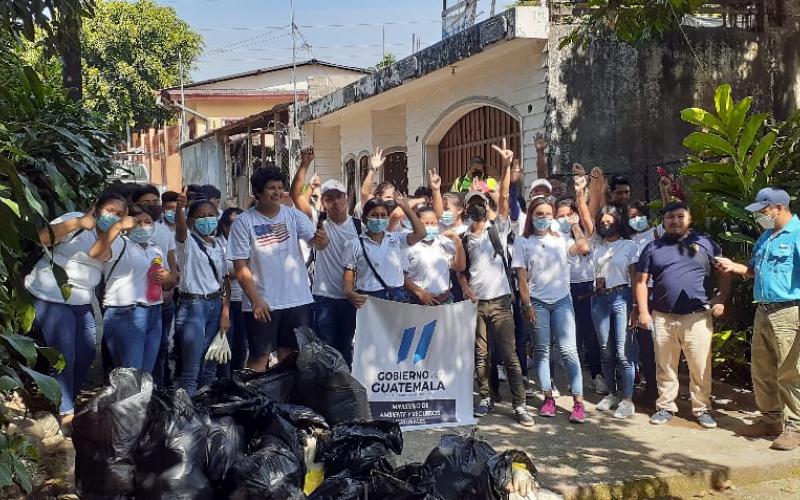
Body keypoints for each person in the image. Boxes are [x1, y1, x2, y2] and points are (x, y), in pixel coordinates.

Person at [25, 192, 130, 428]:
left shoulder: (115, 239)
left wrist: (112, 231)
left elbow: (97, 253)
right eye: (109, 210)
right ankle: (66, 413)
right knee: (64, 356)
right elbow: (41, 238)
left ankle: (65, 399)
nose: (113, 216)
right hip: (50, 296)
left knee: (86, 355)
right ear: (97, 208)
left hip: (81, 301)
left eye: (119, 214)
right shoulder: (73, 219)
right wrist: (78, 223)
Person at [715, 188, 800, 450]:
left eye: (763, 211)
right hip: (763, 310)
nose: (759, 216)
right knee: (762, 369)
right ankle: (770, 420)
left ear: (779, 208)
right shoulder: (765, 236)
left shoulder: (797, 234)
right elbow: (753, 270)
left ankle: (795, 427)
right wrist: (733, 266)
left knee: (790, 371)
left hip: (789, 311)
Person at [458, 139, 534, 426]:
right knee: (481, 355)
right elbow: (460, 270)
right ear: (467, 208)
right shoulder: (463, 236)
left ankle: (520, 404)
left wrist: (505, 165)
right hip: (476, 303)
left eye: (481, 203)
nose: (477, 207)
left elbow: (503, 196)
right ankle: (486, 397)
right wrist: (465, 288)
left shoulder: (498, 229)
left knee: (509, 355)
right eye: (473, 204)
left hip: (501, 302)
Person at [635, 201, 730, 428]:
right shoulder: (653, 248)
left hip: (697, 316)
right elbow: (640, 281)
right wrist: (643, 312)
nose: (675, 221)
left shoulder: (705, 243)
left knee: (700, 365)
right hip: (663, 316)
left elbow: (725, 272)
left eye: (680, 216)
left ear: (689, 218)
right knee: (665, 364)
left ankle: (702, 408)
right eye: (670, 217)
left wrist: (721, 299)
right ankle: (666, 406)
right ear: (663, 221)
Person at [228, 166, 329, 372]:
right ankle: (254, 393)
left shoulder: (294, 216)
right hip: (264, 302)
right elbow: (240, 267)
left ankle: (287, 393)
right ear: (258, 192)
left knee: (291, 357)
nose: (277, 192)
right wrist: (256, 300)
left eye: (280, 187)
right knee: (259, 358)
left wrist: (323, 240)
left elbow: (318, 244)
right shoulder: (243, 222)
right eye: (271, 188)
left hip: (297, 300)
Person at [513, 196, 590, 423]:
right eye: (539, 214)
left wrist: (575, 225)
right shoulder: (523, 242)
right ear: (531, 216)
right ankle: (548, 398)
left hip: (562, 301)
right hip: (537, 302)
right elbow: (522, 278)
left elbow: (584, 247)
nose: (544, 218)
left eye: (548, 214)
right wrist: (527, 305)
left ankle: (578, 402)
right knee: (542, 351)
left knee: (568, 351)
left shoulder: (561, 239)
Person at [290, 148, 362, 367]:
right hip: (324, 298)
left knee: (347, 348)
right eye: (329, 198)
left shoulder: (360, 226)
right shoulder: (316, 223)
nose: (335, 202)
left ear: (347, 198)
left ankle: (346, 384)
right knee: (326, 350)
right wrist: (305, 164)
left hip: (352, 299)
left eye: (339, 196)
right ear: (323, 202)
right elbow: (295, 196)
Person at [578, 192, 640, 419]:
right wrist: (581, 193)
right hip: (599, 298)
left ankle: (627, 398)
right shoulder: (596, 244)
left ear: (618, 222)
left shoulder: (629, 246)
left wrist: (636, 306)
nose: (605, 224)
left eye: (610, 221)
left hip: (622, 297)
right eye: (602, 222)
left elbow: (635, 278)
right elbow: (586, 215)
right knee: (605, 349)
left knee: (623, 351)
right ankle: (612, 394)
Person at [102, 204, 173, 373]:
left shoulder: (155, 249)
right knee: (130, 374)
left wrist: (168, 279)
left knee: (145, 374)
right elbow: (96, 252)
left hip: (154, 311)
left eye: (147, 222)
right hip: (126, 312)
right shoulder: (118, 244)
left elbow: (168, 282)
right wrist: (117, 227)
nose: (142, 226)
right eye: (137, 222)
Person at [175, 190, 228, 395]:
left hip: (215, 305)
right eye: (201, 216)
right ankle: (186, 409)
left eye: (211, 215)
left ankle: (204, 405)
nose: (207, 220)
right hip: (194, 306)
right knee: (192, 368)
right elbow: (180, 230)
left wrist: (225, 312)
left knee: (210, 364)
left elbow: (223, 280)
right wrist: (180, 208)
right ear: (191, 221)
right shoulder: (188, 243)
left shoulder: (217, 245)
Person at [132, 185, 179, 387]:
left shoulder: (163, 231)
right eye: (146, 202)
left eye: (155, 201)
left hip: (163, 300)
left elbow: (172, 264)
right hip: (134, 304)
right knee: (135, 355)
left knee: (161, 346)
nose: (152, 205)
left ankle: (158, 389)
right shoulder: (126, 233)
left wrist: (171, 284)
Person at [344, 195, 425, 305]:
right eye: (374, 215)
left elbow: (421, 233)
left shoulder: (396, 239)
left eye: (383, 215)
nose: (379, 219)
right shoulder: (354, 244)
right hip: (369, 299)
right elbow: (348, 277)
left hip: (396, 296)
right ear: (365, 218)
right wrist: (350, 293)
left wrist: (406, 207)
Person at [564, 173, 604, 393]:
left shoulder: (588, 233)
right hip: (566, 288)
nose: (568, 219)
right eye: (563, 216)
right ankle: (574, 377)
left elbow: (585, 247)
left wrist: (581, 192)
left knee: (590, 334)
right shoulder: (557, 238)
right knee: (571, 336)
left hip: (587, 287)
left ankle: (598, 375)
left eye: (571, 215)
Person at [404, 205, 466, 305]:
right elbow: (401, 275)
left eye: (433, 223)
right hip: (419, 302)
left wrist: (457, 241)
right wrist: (420, 292)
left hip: (445, 300)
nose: (429, 227)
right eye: (425, 223)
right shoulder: (408, 246)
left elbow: (460, 267)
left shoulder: (443, 242)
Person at [217, 207, 248, 374]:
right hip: (225, 301)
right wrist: (244, 270)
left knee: (242, 344)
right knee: (225, 343)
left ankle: (238, 377)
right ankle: (224, 379)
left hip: (246, 300)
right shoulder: (217, 244)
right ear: (224, 226)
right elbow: (222, 273)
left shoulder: (250, 242)